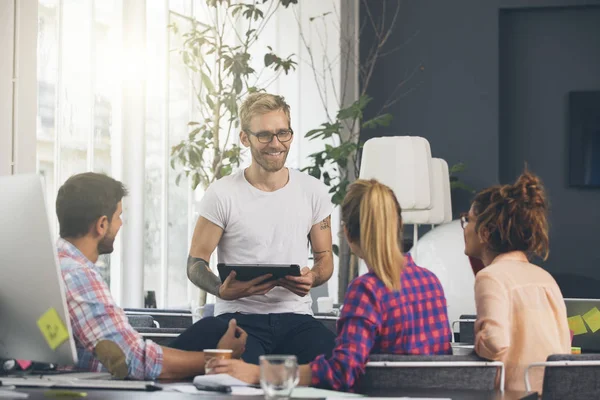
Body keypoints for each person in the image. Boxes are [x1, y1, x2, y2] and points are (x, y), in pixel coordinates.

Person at [206, 179, 453, 391]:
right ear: (399, 225)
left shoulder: (367, 290)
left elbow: (341, 374)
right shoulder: (431, 282)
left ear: (347, 234)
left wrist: (256, 373)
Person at [186, 92, 336, 364]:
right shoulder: (222, 194)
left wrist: (312, 278)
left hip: (297, 318)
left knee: (335, 365)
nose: (276, 143)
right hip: (239, 319)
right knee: (239, 378)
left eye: (283, 133)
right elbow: (195, 263)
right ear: (245, 138)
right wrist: (220, 289)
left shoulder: (313, 191)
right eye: (265, 135)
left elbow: (325, 259)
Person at [56, 172, 247, 380]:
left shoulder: (56, 264)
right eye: (118, 216)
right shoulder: (78, 275)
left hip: (86, 374)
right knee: (215, 330)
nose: (121, 224)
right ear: (102, 225)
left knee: (209, 328)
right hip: (107, 384)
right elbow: (133, 360)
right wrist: (219, 360)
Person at [461, 170, 571, 392]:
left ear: (485, 232)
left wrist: (477, 343)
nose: (464, 228)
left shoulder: (491, 277)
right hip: (553, 393)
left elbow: (495, 342)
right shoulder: (543, 276)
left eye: (468, 220)